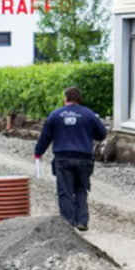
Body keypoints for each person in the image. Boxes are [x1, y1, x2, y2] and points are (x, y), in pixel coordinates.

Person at [34, 86, 107, 232]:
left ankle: (67, 223)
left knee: (65, 191)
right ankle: (82, 221)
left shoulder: (55, 115)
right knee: (81, 189)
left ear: (65, 98)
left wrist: (38, 152)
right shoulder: (89, 115)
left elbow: (45, 137)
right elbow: (102, 134)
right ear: (79, 99)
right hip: (84, 158)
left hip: (63, 158)